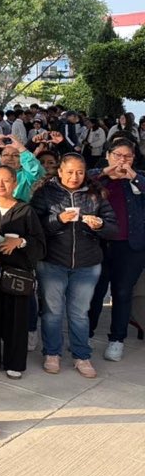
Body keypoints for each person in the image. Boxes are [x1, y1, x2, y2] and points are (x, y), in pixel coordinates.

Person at [31, 152, 117, 377]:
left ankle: (82, 356)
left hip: (87, 264)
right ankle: (52, 353)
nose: (75, 176)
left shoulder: (95, 194)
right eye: (69, 171)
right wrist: (58, 220)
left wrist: (98, 225)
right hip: (52, 262)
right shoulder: (46, 193)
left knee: (79, 312)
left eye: (80, 172)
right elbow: (35, 227)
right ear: (60, 172)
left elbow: (112, 227)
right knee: (52, 311)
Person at [0, 166, 47, 378]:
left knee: (16, 319)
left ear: (15, 183)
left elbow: (40, 245)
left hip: (17, 273)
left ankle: (15, 362)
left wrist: (20, 241)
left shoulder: (26, 210)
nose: (0, 185)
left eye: (6, 181)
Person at [88, 139, 145, 362]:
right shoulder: (97, 178)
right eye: (117, 155)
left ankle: (117, 339)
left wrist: (134, 177)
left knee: (122, 292)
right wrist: (104, 171)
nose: (122, 160)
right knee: (95, 292)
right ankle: (87, 333)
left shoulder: (138, 179)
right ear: (108, 155)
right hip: (99, 243)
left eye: (128, 156)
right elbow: (78, 178)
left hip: (130, 246)